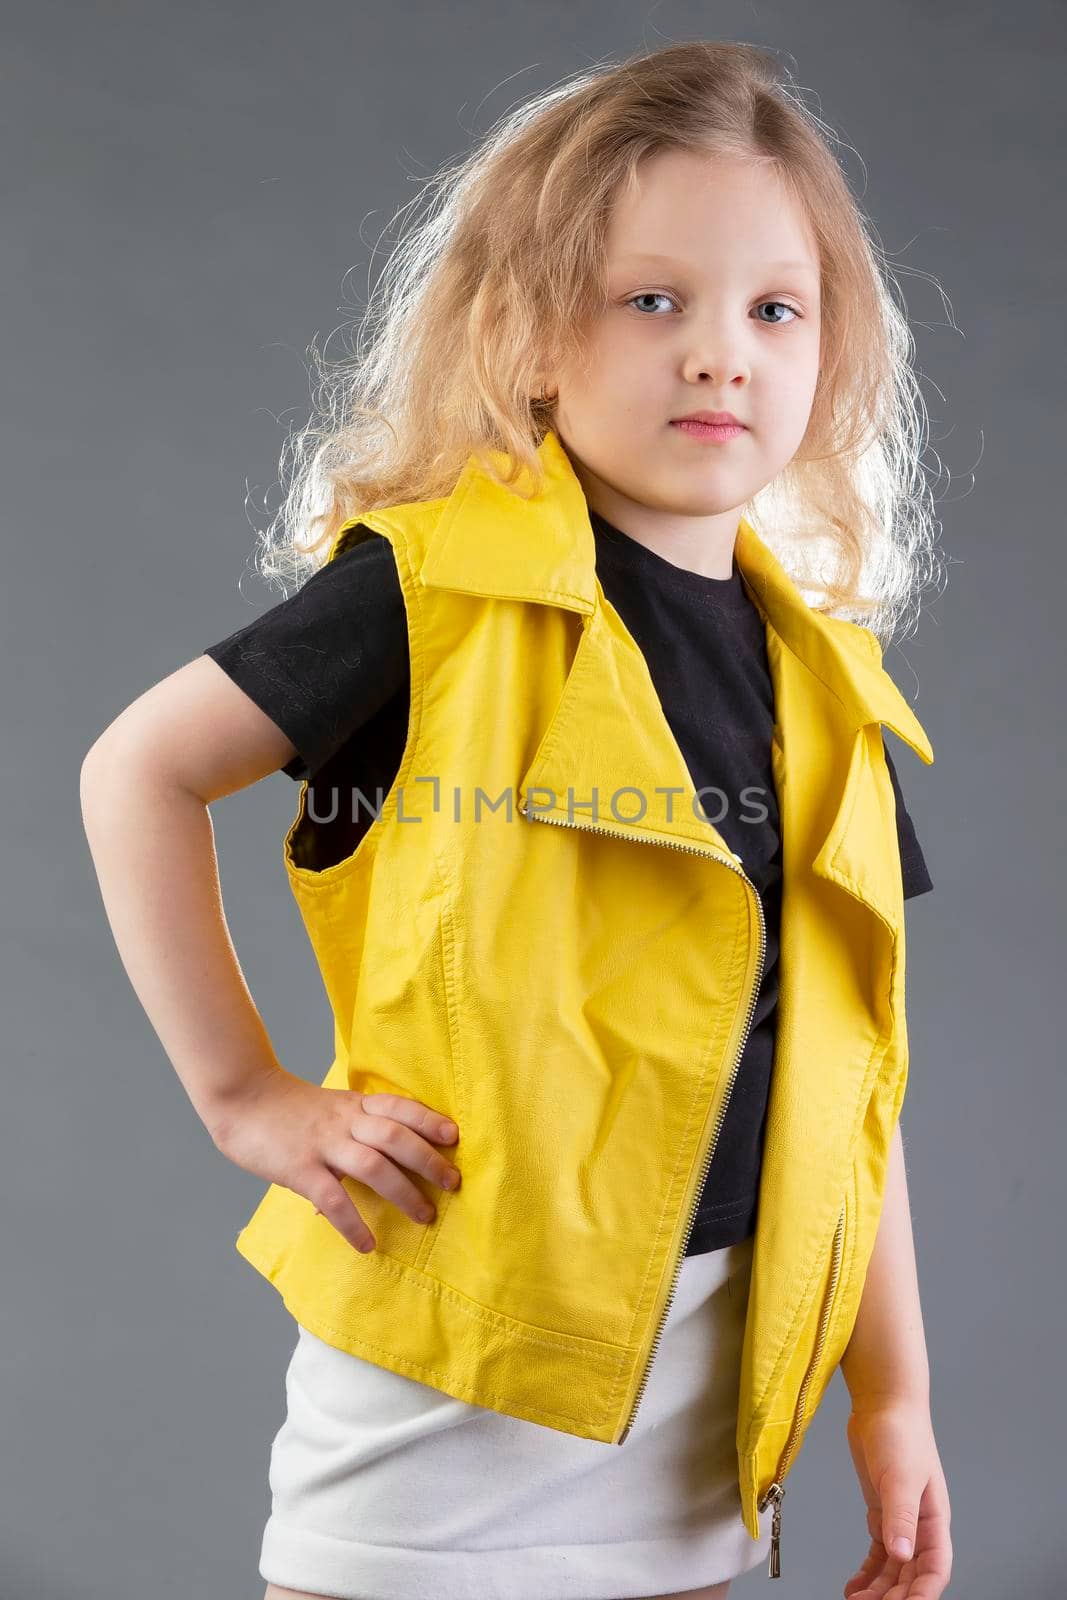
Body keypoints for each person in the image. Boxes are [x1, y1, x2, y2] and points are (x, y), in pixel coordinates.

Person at [80, 38, 954, 1600]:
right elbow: (135, 770)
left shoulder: (834, 697)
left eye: (774, 310)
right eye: (651, 300)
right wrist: (247, 1097)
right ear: (532, 334)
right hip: (445, 1392)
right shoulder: (422, 596)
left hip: (700, 1407)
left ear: (831, 361)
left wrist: (892, 1396)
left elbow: (851, 1087)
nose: (719, 355)